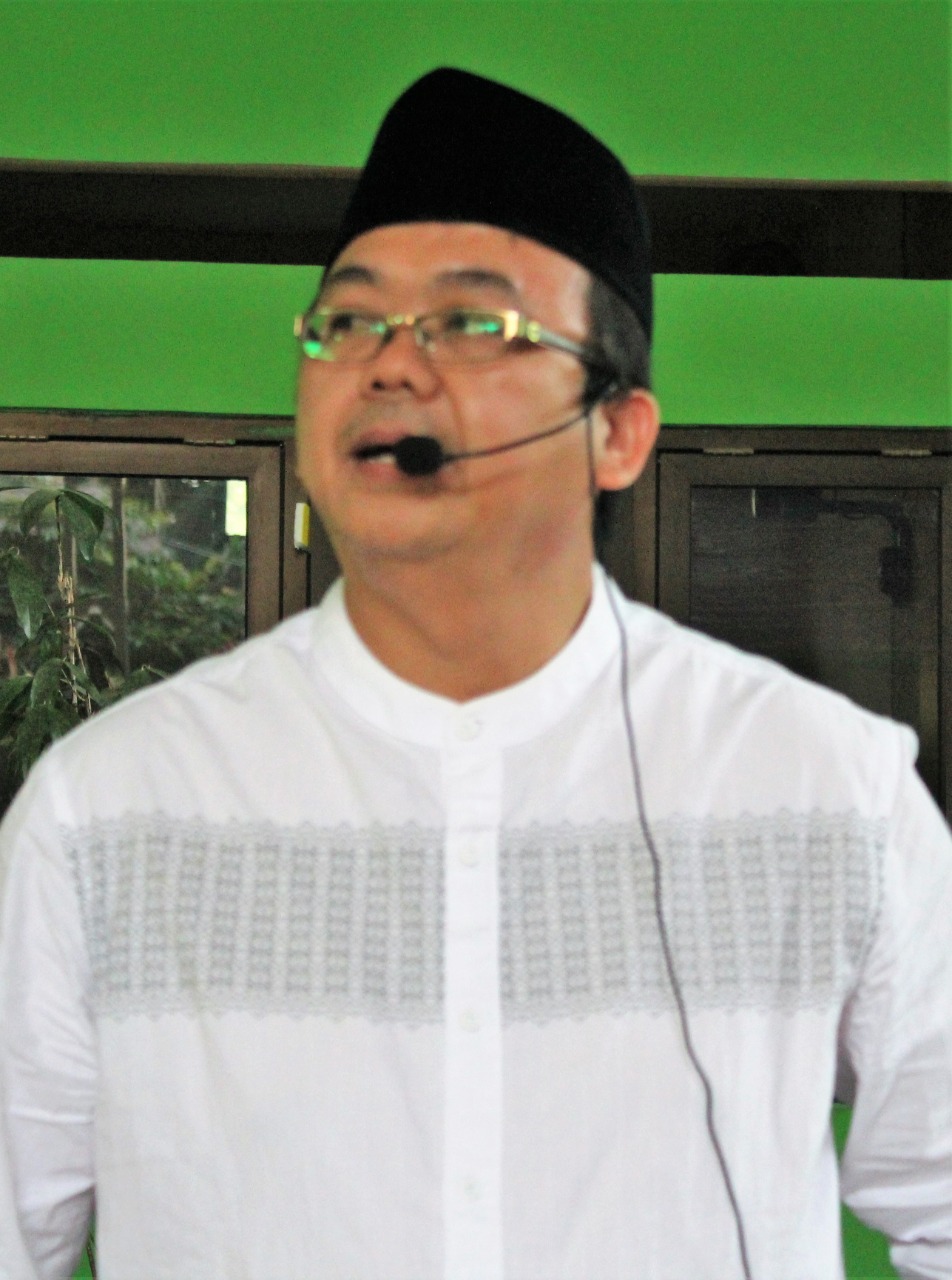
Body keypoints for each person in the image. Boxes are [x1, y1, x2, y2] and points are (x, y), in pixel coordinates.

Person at [1, 67, 950, 1280]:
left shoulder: (825, 790)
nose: (388, 364)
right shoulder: (109, 810)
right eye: (348, 322)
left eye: (470, 322)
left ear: (617, 432)